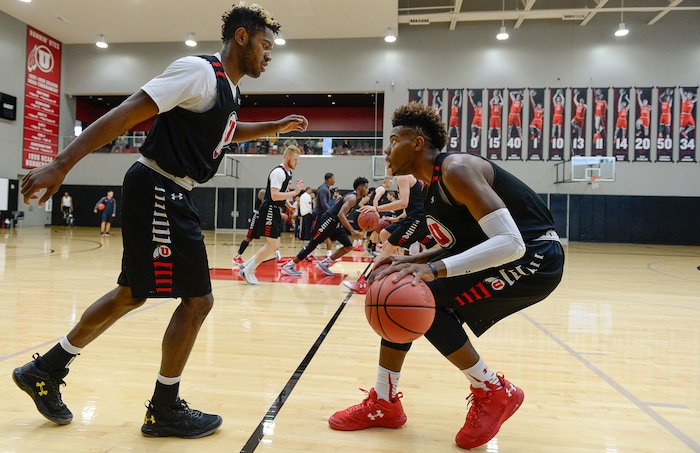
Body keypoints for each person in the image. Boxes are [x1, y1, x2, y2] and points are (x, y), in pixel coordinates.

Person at [14, 3, 308, 439]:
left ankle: (45, 369)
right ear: (242, 37)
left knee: (130, 295)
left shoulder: (227, 89)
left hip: (169, 190)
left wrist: (273, 127)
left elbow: (228, 131)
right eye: (265, 45)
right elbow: (129, 111)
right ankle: (164, 409)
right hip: (160, 187)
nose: (270, 55)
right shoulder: (199, 71)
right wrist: (61, 163)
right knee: (198, 301)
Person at [328, 102, 564, 450]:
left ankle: (493, 390)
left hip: (536, 257)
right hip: (513, 254)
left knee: (422, 299)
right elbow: (461, 245)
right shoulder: (431, 190)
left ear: (418, 143)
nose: (386, 149)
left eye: (393, 140)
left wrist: (431, 270)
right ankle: (384, 400)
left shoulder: (456, 169)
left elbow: (511, 243)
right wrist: (408, 263)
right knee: (401, 290)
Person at [344, 173, 436, 295]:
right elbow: (411, 206)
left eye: (389, 163)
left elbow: (404, 203)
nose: (388, 167)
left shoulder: (404, 176)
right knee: (384, 233)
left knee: (388, 247)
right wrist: (395, 219)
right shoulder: (416, 178)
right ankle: (395, 265)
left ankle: (366, 283)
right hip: (413, 217)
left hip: (417, 219)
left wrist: (376, 209)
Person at [238, 145, 304, 285]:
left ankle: (246, 265)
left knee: (275, 244)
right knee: (272, 244)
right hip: (269, 208)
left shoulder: (288, 173)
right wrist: (294, 193)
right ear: (287, 158)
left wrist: (289, 205)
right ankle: (248, 270)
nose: (297, 163)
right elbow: (274, 196)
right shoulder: (278, 173)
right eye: (295, 160)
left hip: (275, 210)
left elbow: (281, 195)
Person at [281, 177, 368, 277]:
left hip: (336, 223)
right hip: (328, 220)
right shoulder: (352, 198)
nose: (367, 189)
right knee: (313, 244)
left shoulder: (356, 198)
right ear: (360, 187)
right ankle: (289, 266)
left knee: (348, 246)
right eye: (365, 187)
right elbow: (341, 215)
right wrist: (352, 231)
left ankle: (324, 264)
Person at [233, 188, 266, 264]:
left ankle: (278, 257)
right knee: (249, 238)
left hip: (262, 217)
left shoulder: (270, 195)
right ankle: (237, 257)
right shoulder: (263, 193)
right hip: (256, 217)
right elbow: (264, 203)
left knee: (271, 237)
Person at [312, 172, 335, 259]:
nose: (334, 180)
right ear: (329, 179)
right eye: (333, 178)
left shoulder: (326, 189)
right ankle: (308, 253)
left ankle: (329, 254)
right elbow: (323, 203)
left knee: (327, 233)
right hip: (320, 215)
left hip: (323, 214)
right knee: (316, 235)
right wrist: (330, 212)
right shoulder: (323, 189)